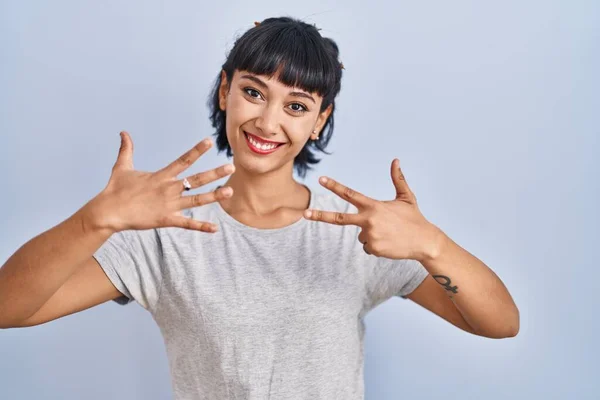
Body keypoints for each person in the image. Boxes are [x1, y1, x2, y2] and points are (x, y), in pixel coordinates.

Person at [0, 16, 519, 399]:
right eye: (254, 92)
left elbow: (499, 323)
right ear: (227, 90)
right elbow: (8, 310)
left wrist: (432, 244)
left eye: (296, 105)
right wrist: (96, 219)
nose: (269, 123)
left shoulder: (357, 232)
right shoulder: (163, 229)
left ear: (319, 120)